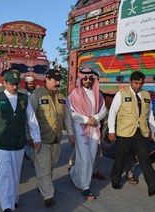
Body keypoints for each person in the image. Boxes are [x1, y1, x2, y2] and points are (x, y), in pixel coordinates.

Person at [0, 70, 41, 212]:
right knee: (4, 174)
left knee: (15, 174)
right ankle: (6, 205)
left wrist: (36, 138)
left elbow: (32, 120)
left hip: (18, 143)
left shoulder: (23, 99)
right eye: (11, 84)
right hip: (1, 144)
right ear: (4, 83)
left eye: (17, 84)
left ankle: (13, 199)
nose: (15, 87)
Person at [108, 71, 155, 196]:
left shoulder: (146, 95)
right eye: (136, 83)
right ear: (130, 82)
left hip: (141, 133)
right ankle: (115, 180)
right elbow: (112, 112)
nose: (138, 86)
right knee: (120, 158)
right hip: (124, 132)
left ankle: (153, 188)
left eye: (141, 83)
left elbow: (150, 115)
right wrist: (111, 130)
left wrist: (152, 131)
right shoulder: (121, 94)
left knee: (145, 160)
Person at [29, 69, 73, 207]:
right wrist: (29, 137)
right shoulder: (36, 95)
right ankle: (48, 195)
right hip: (41, 139)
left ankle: (42, 184)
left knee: (51, 164)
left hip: (56, 138)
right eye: (55, 80)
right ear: (47, 79)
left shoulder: (61, 95)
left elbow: (66, 116)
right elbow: (29, 118)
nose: (58, 82)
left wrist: (70, 133)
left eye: (59, 80)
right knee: (44, 167)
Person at [66, 68, 107, 200]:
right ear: (80, 79)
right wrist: (85, 119)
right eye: (85, 78)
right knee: (84, 158)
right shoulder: (73, 94)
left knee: (89, 156)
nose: (88, 81)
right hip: (80, 129)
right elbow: (71, 113)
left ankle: (73, 174)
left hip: (94, 128)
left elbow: (104, 109)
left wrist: (95, 118)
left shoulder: (98, 94)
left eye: (90, 78)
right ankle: (85, 187)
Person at [24, 76, 36, 160]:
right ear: (26, 84)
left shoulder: (36, 94)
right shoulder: (23, 94)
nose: (31, 85)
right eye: (29, 84)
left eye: (33, 83)